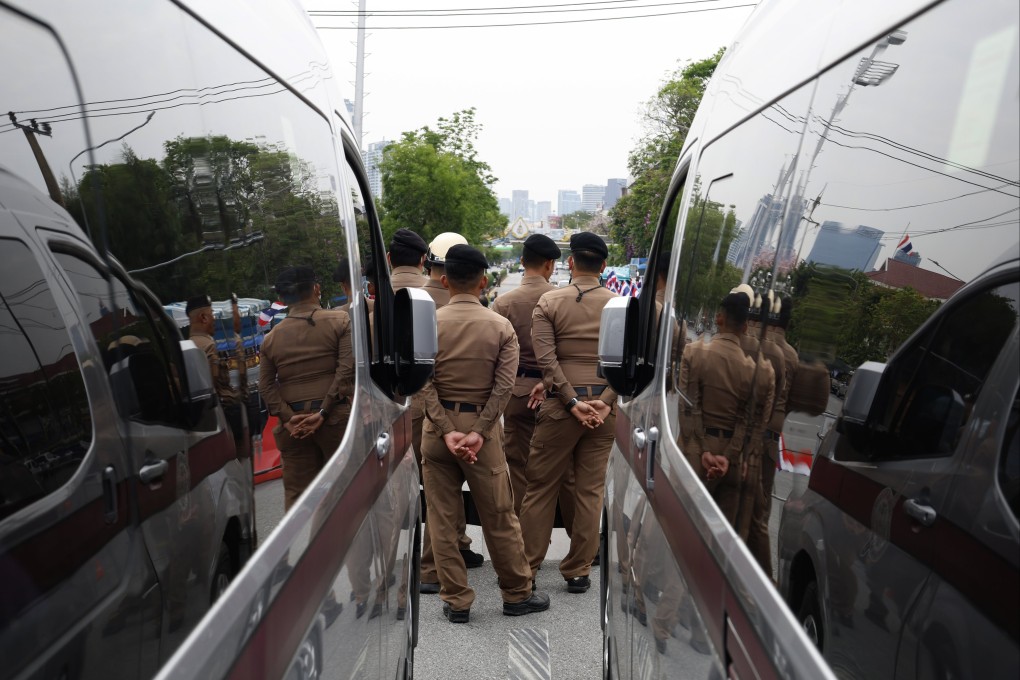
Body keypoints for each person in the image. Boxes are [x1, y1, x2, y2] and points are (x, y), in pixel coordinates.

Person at [419, 244, 550, 622]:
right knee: (499, 515)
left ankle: (457, 600)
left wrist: (446, 430)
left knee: (441, 518)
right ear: (483, 282)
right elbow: (504, 387)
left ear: (445, 281)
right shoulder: (499, 326)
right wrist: (478, 432)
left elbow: (423, 384)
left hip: (438, 434)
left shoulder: (427, 325)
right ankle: (516, 594)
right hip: (483, 433)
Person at [518, 232, 618, 594]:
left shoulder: (549, 302)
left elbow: (547, 362)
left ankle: (526, 569)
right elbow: (628, 363)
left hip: (561, 408)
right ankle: (578, 570)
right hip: (603, 410)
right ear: (603, 266)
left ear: (571, 262)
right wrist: (606, 399)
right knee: (590, 491)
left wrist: (572, 401)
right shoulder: (620, 306)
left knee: (541, 487)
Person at [386, 229, 483, 593]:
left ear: (429, 262)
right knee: (446, 489)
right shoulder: (466, 303)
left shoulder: (399, 298)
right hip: (450, 409)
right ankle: (451, 550)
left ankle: (417, 562)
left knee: (423, 486)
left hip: (404, 403)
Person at [258, 266, 355, 510]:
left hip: (294, 429)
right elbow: (345, 372)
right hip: (335, 421)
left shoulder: (270, 339)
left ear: (282, 299)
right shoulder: (340, 321)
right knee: (345, 493)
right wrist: (323, 412)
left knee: (298, 501)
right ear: (316, 289)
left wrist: (289, 418)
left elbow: (266, 387)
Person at [678, 291, 769, 537]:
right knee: (720, 539)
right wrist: (728, 455)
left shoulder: (694, 353)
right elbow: (748, 420)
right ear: (745, 327)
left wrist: (704, 449)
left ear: (719, 318)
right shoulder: (755, 370)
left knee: (679, 528)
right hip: (732, 463)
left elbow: (688, 407)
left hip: (695, 453)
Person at [491, 234, 566, 516]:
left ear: (522, 262)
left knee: (519, 466)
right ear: (549, 264)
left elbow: (496, 358)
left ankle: (524, 531)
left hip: (517, 392)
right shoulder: (562, 300)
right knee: (559, 467)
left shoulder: (503, 303)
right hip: (557, 393)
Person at [186, 294, 247, 445]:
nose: (214, 319)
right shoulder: (211, 347)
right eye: (212, 314)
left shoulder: (186, 346)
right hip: (225, 414)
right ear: (203, 318)